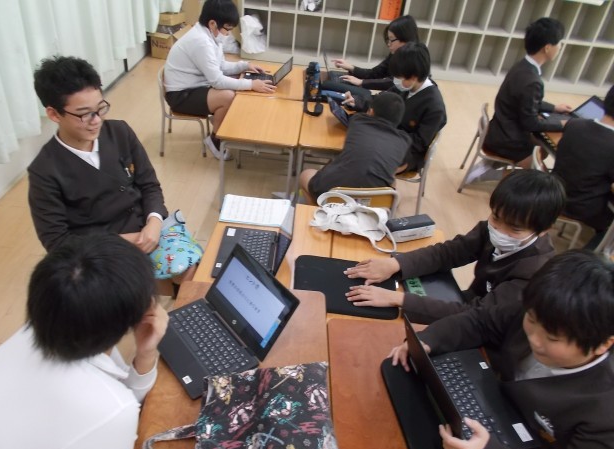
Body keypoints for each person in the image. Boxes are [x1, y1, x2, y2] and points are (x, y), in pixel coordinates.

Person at [389, 250, 614, 449]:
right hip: (486, 406)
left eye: (552, 338)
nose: (535, 339)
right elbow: (481, 320)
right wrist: (429, 340)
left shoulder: (605, 411)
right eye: (531, 320)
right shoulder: (544, 313)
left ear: (602, 344)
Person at [0, 235, 169, 449]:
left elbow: (115, 398)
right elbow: (114, 410)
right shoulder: (108, 411)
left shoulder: (42, 328)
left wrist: (145, 354)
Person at [28, 55, 200, 287]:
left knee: (191, 270)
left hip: (148, 231)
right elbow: (57, 242)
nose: (96, 120)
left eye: (100, 108)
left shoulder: (119, 132)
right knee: (125, 294)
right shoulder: (45, 171)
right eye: (84, 114)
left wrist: (154, 222)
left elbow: (149, 185)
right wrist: (127, 240)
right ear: (54, 114)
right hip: (96, 254)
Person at [345, 170, 565, 324]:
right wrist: (396, 263)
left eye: (514, 229)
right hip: (468, 305)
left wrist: (397, 299)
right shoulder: (491, 229)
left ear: (544, 230)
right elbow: (449, 253)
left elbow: (478, 315)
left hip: (487, 330)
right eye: (495, 217)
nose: (499, 229)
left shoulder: (534, 273)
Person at [164, 0, 276, 161]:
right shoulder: (201, 42)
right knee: (228, 96)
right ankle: (215, 140)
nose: (228, 34)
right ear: (212, 23)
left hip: (196, 86)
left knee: (236, 82)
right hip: (180, 95)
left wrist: (244, 66)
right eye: (227, 29)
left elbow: (221, 65)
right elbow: (217, 81)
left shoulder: (210, 35)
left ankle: (221, 121)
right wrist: (251, 84)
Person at [479, 17, 572, 175]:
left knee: (542, 148)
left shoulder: (521, 66)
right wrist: (562, 124)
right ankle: (507, 176)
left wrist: (554, 108)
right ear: (547, 48)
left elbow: (527, 102)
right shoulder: (533, 81)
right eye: (559, 43)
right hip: (508, 141)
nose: (560, 47)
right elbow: (531, 123)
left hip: (499, 130)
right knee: (543, 169)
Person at [344, 42, 447, 173]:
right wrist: (358, 102)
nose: (395, 80)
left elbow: (419, 143)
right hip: (387, 135)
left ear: (413, 77)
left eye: (399, 77)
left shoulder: (435, 107)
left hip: (407, 151)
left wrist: (384, 136)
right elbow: (381, 100)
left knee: (365, 157)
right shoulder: (404, 87)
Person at [299, 92, 411, 204]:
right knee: (394, 188)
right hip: (374, 202)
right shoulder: (404, 140)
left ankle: (316, 209)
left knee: (306, 174)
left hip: (336, 193)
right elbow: (404, 165)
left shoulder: (358, 121)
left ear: (371, 111)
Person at [552, 85, 614, 249]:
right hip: (579, 207)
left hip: (553, 192)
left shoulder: (574, 124)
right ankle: (587, 256)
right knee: (610, 225)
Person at [323, 15, 419, 94]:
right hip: (386, 98)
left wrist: (362, 82)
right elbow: (375, 73)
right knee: (332, 83)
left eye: (391, 40)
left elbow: (393, 82)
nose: (388, 44)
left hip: (393, 103)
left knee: (328, 85)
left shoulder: (414, 61)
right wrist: (351, 67)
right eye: (388, 40)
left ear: (405, 39)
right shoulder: (395, 54)